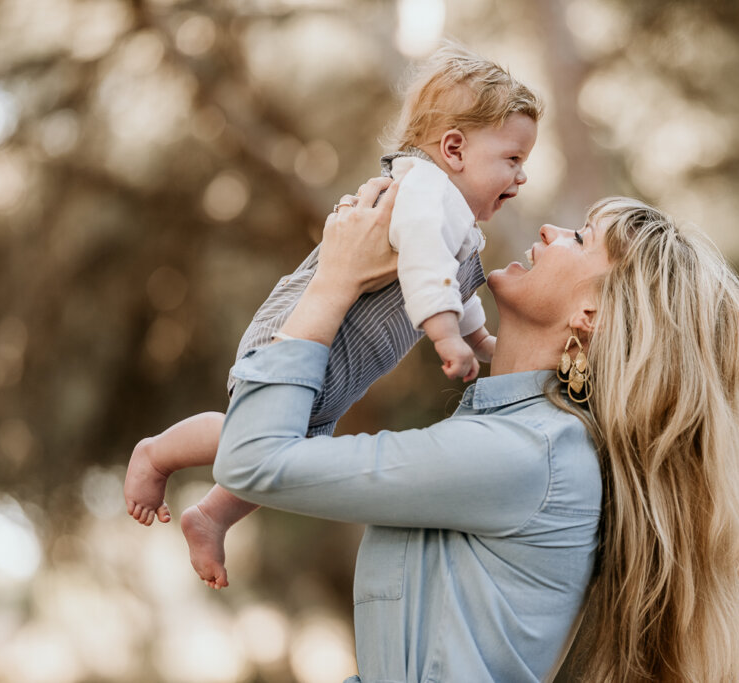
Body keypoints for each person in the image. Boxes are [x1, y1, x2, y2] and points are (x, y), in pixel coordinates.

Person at [213, 177, 739, 682]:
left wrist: (335, 281)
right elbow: (277, 454)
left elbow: (255, 461)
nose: (550, 230)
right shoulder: (523, 439)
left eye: (580, 238)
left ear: (591, 316)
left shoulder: (530, 454)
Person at [123, 44, 542, 588]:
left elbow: (455, 286)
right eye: (512, 159)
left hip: (339, 365)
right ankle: (157, 455)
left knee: (290, 451)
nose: (522, 177)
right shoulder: (423, 191)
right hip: (299, 336)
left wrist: (479, 337)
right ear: (455, 149)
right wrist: (446, 337)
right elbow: (424, 262)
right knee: (248, 430)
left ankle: (211, 515)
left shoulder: (457, 221)